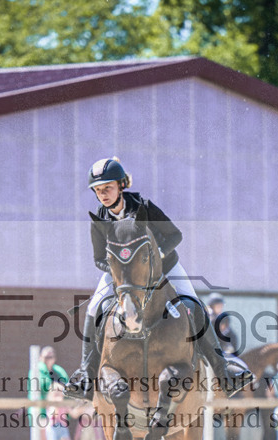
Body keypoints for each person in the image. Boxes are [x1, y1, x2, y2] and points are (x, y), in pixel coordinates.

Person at [65, 157, 253, 400]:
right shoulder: (100, 219)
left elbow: (175, 235)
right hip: (122, 276)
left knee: (193, 304)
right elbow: (98, 258)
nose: (103, 194)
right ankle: (85, 375)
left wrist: (155, 260)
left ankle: (223, 370)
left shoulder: (143, 206)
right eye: (98, 190)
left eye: (108, 188)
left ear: (122, 185)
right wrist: (118, 270)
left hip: (165, 266)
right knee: (94, 308)